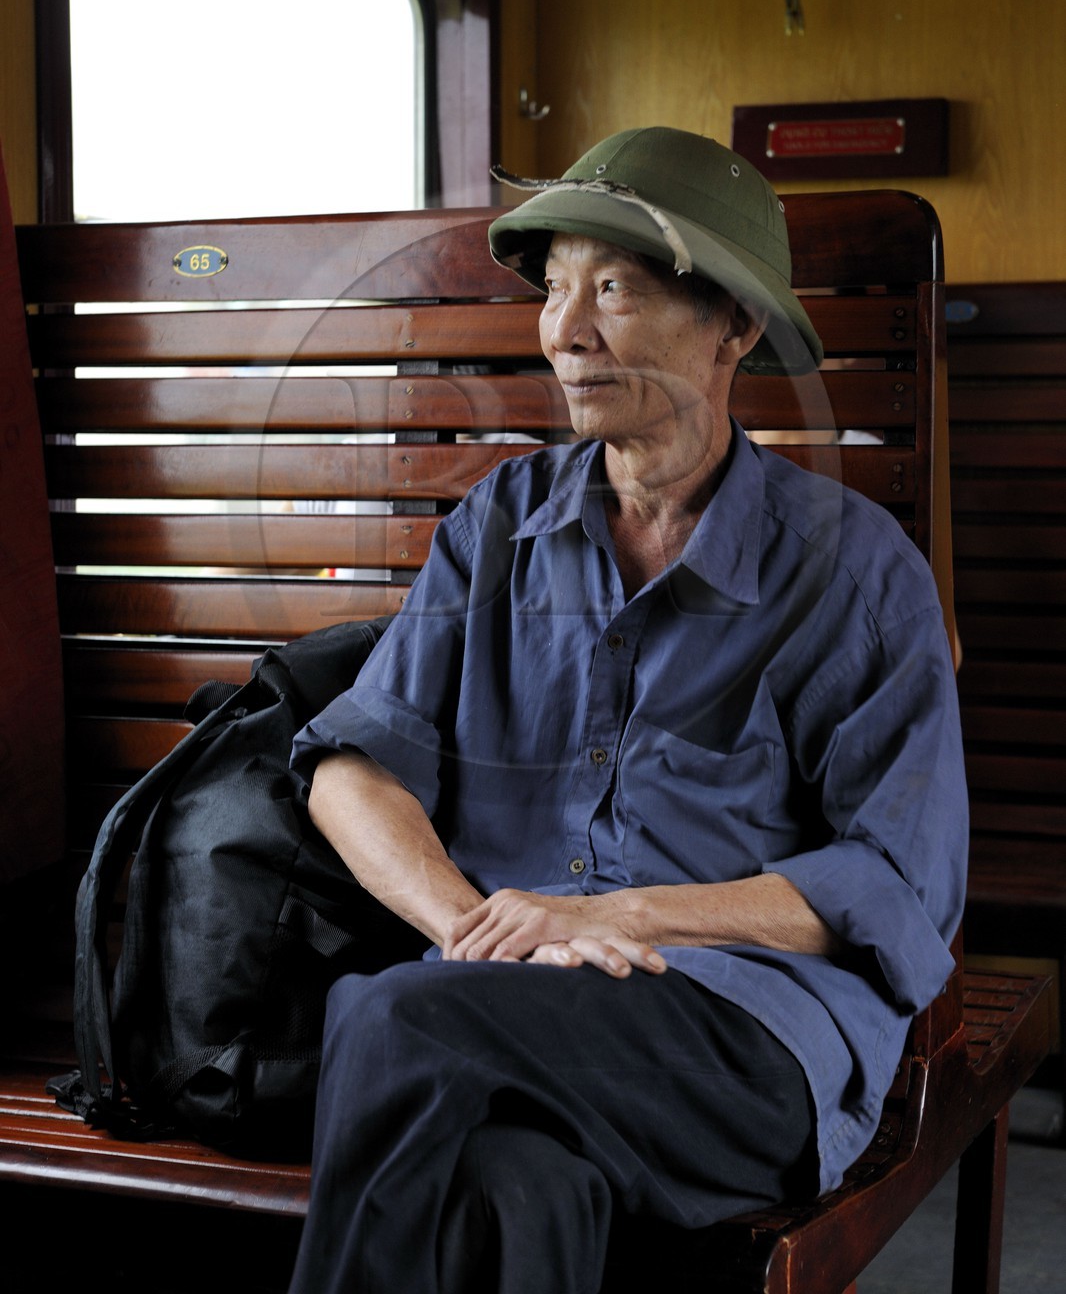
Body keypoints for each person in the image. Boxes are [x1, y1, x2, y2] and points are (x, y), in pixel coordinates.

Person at [286, 127, 968, 1294]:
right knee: (515, 1188)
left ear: (733, 328)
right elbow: (351, 768)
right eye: (555, 290)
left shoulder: (853, 570)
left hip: (742, 1035)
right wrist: (476, 928)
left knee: (394, 1025)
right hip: (499, 998)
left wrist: (629, 917)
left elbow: (896, 887)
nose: (566, 329)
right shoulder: (500, 524)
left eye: (615, 289)